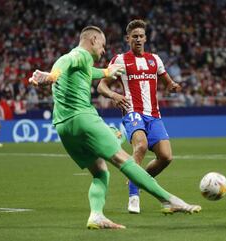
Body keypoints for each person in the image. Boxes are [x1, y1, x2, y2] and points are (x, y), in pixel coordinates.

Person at [29, 26, 200, 230]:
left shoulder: (82, 63)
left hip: (63, 127)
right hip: (83, 118)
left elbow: (88, 72)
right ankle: (168, 200)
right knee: (124, 159)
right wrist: (50, 76)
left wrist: (107, 72)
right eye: (102, 45)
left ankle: (96, 215)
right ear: (93, 40)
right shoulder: (80, 54)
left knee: (101, 172)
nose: (103, 51)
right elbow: (68, 62)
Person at [97, 20, 181, 214]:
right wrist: (114, 95)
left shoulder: (155, 60)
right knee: (141, 145)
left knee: (166, 157)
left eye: (141, 36)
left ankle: (138, 179)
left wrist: (173, 86)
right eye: (134, 36)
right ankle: (134, 195)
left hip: (154, 114)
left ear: (145, 38)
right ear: (128, 39)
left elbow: (168, 82)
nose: (138, 39)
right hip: (132, 112)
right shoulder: (120, 60)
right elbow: (102, 85)